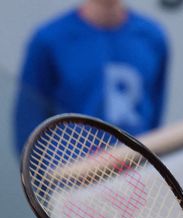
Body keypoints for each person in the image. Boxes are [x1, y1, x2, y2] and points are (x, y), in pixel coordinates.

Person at [14, 0, 169, 155]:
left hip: (136, 169)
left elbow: (154, 116)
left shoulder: (153, 37)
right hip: (73, 173)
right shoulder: (49, 39)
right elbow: (29, 125)